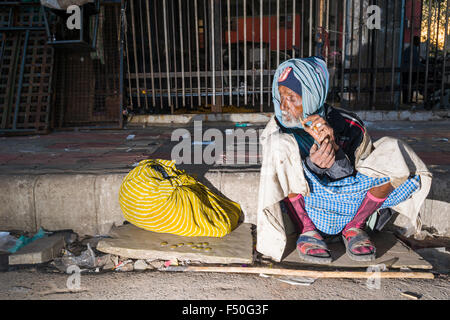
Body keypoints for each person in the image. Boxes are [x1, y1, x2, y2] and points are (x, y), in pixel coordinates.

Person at [256, 57, 432, 264]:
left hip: (353, 205)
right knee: (278, 145)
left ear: (313, 94)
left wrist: (335, 151)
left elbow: (360, 175)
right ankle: (307, 231)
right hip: (308, 207)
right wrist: (312, 166)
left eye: (292, 97)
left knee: (393, 150)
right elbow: (280, 180)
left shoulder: (348, 124)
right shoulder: (277, 128)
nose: (284, 106)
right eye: (280, 96)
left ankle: (354, 228)